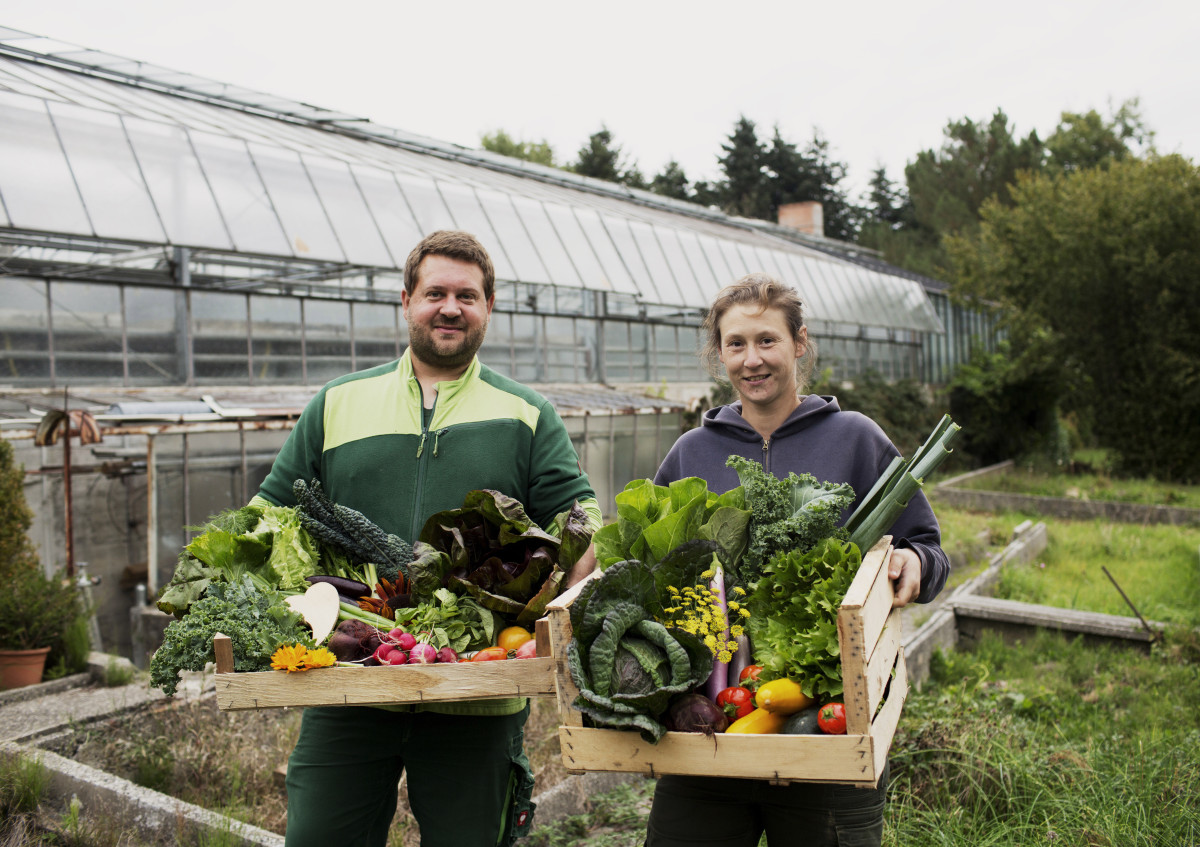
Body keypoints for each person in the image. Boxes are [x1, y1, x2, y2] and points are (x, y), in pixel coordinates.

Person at [249, 230, 602, 847]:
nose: (450, 307)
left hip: (477, 691)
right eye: (435, 292)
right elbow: (268, 511)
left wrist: (578, 585)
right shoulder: (337, 404)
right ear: (406, 300)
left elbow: (580, 517)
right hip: (347, 683)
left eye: (467, 295)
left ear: (489, 307)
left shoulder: (526, 414)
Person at [644, 273, 950, 847]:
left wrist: (914, 563)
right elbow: (650, 563)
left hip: (828, 719)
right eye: (736, 344)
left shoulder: (856, 439)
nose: (752, 360)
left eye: (767, 341)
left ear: (799, 343)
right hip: (711, 720)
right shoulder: (692, 451)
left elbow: (927, 548)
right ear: (719, 355)